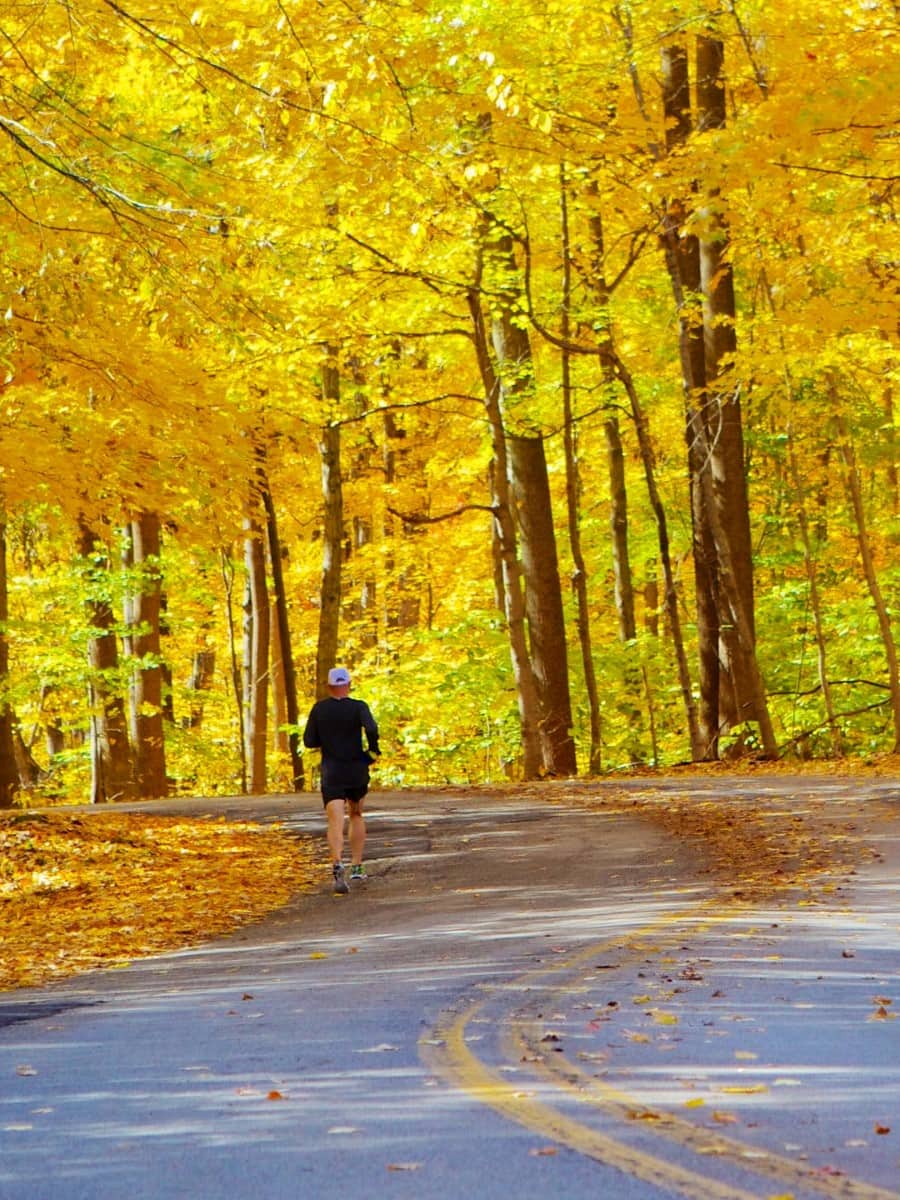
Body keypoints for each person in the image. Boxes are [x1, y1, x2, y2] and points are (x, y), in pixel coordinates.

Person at [302, 666, 380, 895]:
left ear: (329, 687)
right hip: (356, 769)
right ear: (348, 684)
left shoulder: (319, 709)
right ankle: (357, 865)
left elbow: (308, 741)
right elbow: (372, 728)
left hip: (332, 771)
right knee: (356, 814)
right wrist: (372, 751)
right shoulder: (359, 707)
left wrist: (327, 738)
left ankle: (337, 863)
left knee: (335, 820)